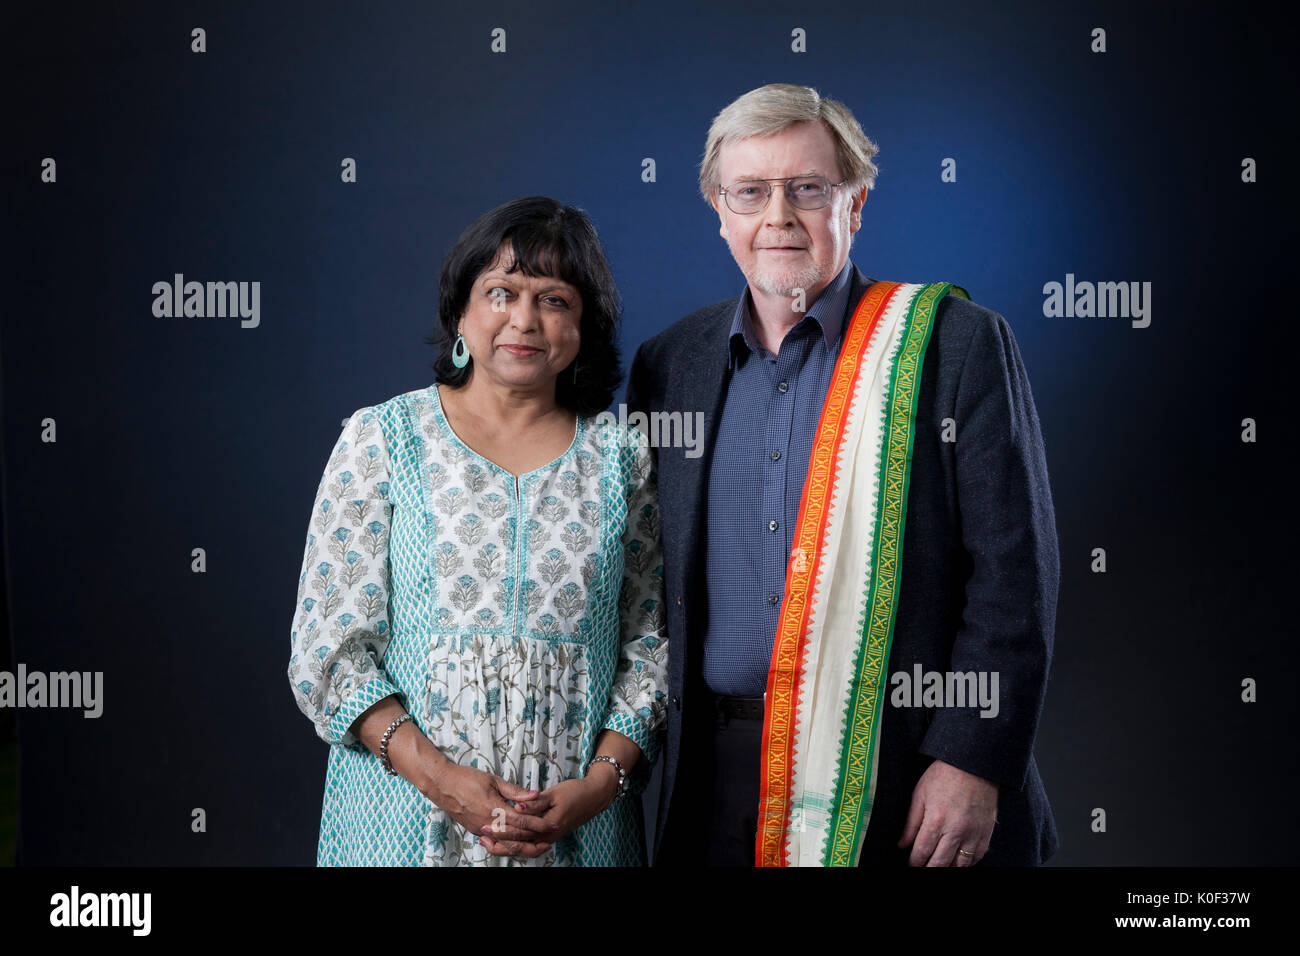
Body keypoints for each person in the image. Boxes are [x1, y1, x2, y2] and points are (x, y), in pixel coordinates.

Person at [626, 84, 1060, 867]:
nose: (778, 216)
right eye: (750, 192)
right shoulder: (669, 365)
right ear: (719, 212)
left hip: (907, 768)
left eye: (808, 189)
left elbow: (1015, 574)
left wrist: (971, 759)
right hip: (720, 776)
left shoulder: (953, 345)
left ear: (855, 204)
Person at [288, 196, 668, 866]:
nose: (525, 320)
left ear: (584, 326)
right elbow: (329, 651)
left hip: (580, 831)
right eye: (502, 292)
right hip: (400, 818)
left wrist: (595, 789)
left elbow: (650, 647)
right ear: (461, 311)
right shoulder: (385, 439)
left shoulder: (621, 459)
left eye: (554, 300)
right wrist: (441, 780)